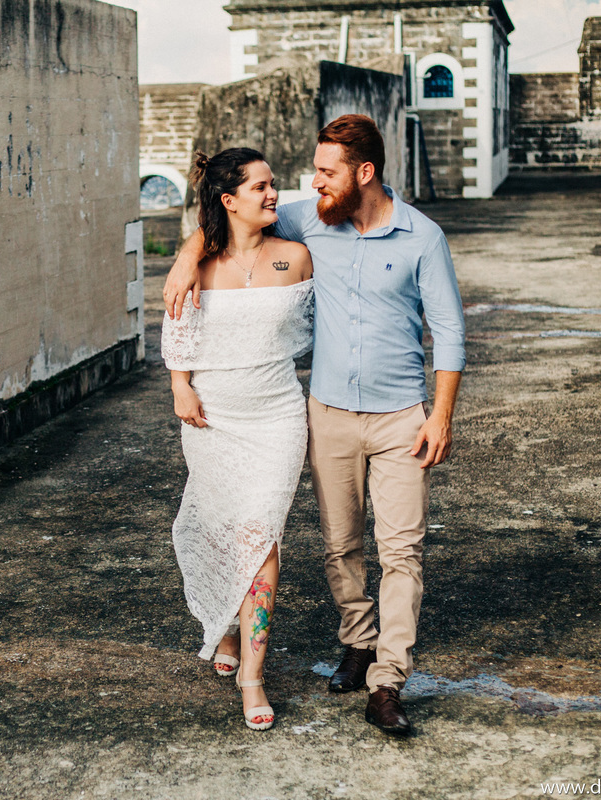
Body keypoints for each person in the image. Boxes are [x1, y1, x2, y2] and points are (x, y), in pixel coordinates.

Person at [163, 115, 465, 737]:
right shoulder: (311, 219)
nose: (310, 184)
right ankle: (356, 640)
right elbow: (225, 216)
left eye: (325, 172)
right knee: (340, 544)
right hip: (325, 413)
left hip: (402, 415)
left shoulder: (423, 238)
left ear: (364, 173)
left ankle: (387, 680)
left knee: (401, 551)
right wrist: (187, 257)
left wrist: (440, 415)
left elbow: (451, 331)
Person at [162, 148, 314, 731]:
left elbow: (315, 330)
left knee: (262, 538)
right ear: (229, 201)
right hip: (212, 416)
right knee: (220, 526)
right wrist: (181, 386)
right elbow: (178, 328)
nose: (274, 195)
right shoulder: (195, 267)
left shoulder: (296, 258)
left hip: (276, 416)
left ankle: (254, 673)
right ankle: (224, 621)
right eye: (261, 187)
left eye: (274, 185)